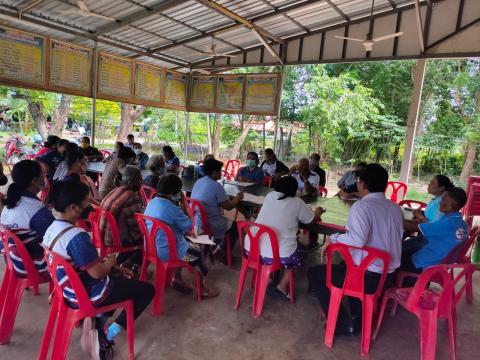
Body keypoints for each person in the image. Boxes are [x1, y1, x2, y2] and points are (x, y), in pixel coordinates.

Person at [42, 178, 154, 360]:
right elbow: (97, 273)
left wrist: (113, 267)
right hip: (87, 294)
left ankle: (97, 320)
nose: (91, 205)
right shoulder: (76, 236)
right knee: (147, 290)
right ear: (73, 207)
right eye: (87, 202)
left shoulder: (52, 229)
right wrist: (110, 262)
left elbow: (84, 264)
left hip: (67, 290)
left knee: (121, 281)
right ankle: (107, 333)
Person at [307, 163, 403, 335]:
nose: (357, 182)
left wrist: (332, 238)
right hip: (388, 276)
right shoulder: (396, 208)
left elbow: (356, 240)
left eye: (358, 179)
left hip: (367, 277)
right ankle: (358, 316)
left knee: (314, 274)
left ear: (363, 184)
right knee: (345, 265)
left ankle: (342, 323)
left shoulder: (362, 206)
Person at [245, 176, 324, 299]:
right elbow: (311, 220)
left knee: (275, 244)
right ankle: (282, 285)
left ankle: (268, 278)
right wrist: (318, 211)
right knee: (302, 252)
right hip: (274, 253)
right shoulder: (297, 202)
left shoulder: (270, 196)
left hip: (250, 249)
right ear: (294, 190)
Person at [144, 174, 219, 298]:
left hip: (151, 247)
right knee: (204, 247)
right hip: (169, 251)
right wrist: (184, 204)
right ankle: (200, 285)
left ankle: (177, 277)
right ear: (174, 192)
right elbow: (189, 225)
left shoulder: (152, 202)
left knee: (188, 240)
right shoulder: (172, 208)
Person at [0, 160, 54, 277]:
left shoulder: (11, 201)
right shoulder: (35, 209)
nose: (45, 178)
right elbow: (54, 237)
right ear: (35, 181)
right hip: (32, 264)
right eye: (43, 175)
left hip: (13, 259)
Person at [401, 187, 468, 273]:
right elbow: (434, 227)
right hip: (440, 262)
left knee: (393, 259)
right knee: (406, 248)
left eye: (443, 200)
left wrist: (391, 220)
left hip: (424, 264)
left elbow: (413, 228)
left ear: (453, 204)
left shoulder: (448, 224)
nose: (440, 202)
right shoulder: (460, 223)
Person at [191, 158, 243, 265]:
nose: (221, 173)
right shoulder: (216, 186)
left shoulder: (198, 181)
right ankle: (220, 251)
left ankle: (215, 246)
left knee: (226, 222)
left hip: (197, 220)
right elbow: (228, 207)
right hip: (211, 222)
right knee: (236, 226)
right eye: (219, 171)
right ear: (214, 172)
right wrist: (238, 198)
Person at [100, 166, 144, 265]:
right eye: (141, 180)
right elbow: (137, 226)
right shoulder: (132, 197)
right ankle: (129, 266)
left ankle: (121, 262)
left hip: (102, 234)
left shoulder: (115, 190)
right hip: (115, 239)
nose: (142, 183)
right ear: (136, 181)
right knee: (148, 240)